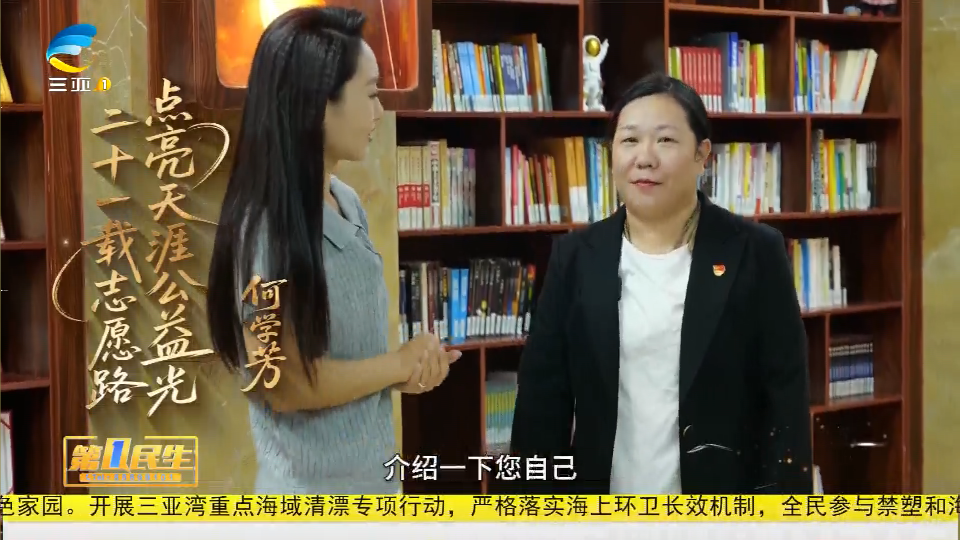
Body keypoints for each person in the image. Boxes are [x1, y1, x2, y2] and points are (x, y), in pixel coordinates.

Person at [509, 73, 812, 494]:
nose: (645, 158)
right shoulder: (575, 258)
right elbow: (541, 408)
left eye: (665, 140)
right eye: (629, 140)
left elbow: (786, 402)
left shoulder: (755, 252)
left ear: (702, 154)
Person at [206, 6, 460, 494]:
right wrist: (396, 364)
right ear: (319, 104)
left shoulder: (346, 202)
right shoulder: (265, 228)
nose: (379, 112)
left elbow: (346, 362)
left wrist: (404, 370)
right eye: (370, 93)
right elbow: (283, 383)